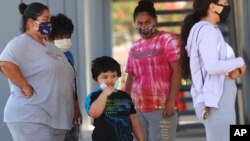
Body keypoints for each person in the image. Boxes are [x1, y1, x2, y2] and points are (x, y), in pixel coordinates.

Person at [0, 3, 76, 141]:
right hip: (32, 117)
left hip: (54, 119)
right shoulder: (22, 42)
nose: (49, 23)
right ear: (30, 22)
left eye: (50, 19)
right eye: (45, 19)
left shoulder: (49, 46)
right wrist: (24, 86)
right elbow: (5, 63)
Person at [180, 0, 247, 141]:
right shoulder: (206, 30)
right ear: (212, 6)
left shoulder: (208, 29)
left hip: (218, 105)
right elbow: (212, 67)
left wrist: (238, 70)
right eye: (224, 2)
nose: (227, 6)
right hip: (217, 107)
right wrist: (240, 62)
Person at [125, 0, 181, 141]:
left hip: (161, 107)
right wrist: (125, 103)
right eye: (140, 23)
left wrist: (171, 100)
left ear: (155, 21)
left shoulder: (168, 39)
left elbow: (177, 71)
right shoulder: (134, 47)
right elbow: (130, 76)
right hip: (138, 108)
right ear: (135, 24)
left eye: (148, 22)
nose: (144, 26)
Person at [85, 56, 144, 141]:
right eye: (105, 77)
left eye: (114, 76)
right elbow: (94, 113)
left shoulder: (125, 96)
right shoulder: (93, 96)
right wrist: (104, 94)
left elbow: (133, 118)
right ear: (96, 80)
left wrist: (141, 139)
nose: (110, 80)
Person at [48, 13, 82, 120]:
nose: (65, 40)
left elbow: (72, 85)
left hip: (67, 108)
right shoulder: (44, 56)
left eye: (67, 36)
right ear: (48, 37)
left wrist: (76, 108)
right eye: (59, 36)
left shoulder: (69, 56)